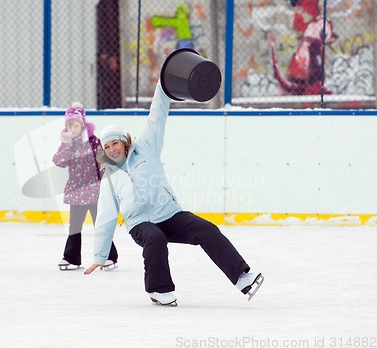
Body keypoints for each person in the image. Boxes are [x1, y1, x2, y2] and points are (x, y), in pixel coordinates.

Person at [84, 82, 264, 305]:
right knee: (155, 238)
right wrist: (100, 256)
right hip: (140, 223)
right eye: (107, 146)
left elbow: (157, 115)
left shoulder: (146, 148)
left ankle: (241, 277)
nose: (112, 149)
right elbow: (106, 217)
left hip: (169, 214)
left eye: (115, 143)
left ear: (124, 141)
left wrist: (164, 83)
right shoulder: (109, 178)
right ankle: (158, 290)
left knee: (206, 229)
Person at [53, 103, 118, 271]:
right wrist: (66, 144)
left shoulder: (94, 141)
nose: (72, 128)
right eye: (69, 125)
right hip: (76, 192)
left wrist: (107, 184)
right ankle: (71, 258)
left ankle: (110, 256)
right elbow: (59, 162)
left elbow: (104, 163)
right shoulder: (69, 145)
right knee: (74, 227)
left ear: (82, 125)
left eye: (75, 125)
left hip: (95, 192)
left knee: (100, 225)